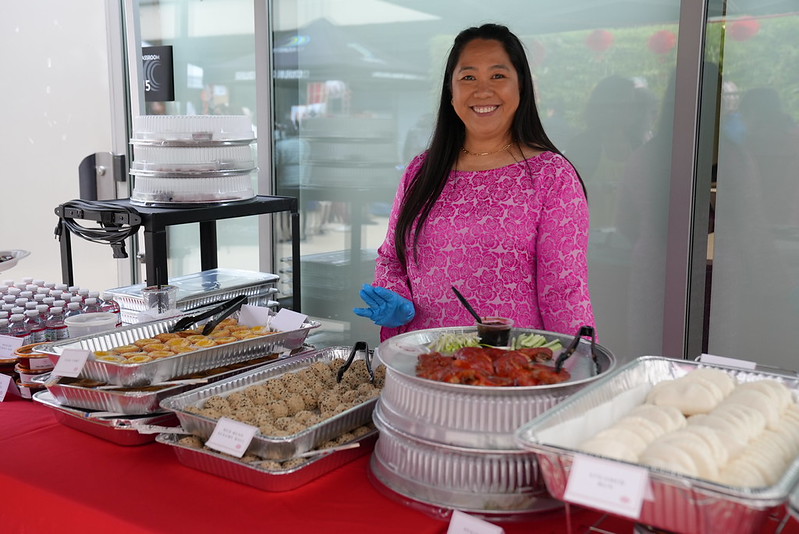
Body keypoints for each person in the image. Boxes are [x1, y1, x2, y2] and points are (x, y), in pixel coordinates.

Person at [353, 23, 596, 342]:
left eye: (498, 75)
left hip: (512, 370)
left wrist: (577, 362)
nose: (483, 90)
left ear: (520, 86)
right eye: (468, 77)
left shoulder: (552, 175)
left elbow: (564, 291)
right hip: (424, 363)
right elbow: (392, 258)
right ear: (450, 92)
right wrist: (395, 297)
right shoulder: (422, 171)